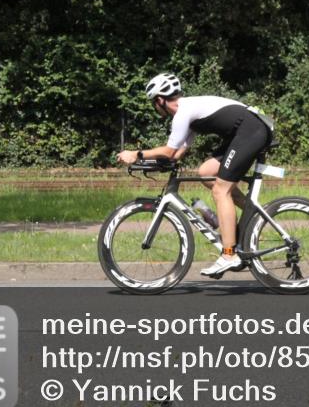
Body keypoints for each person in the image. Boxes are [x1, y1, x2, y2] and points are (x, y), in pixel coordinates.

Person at [115, 73, 272, 277]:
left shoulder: (183, 113)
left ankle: (229, 254)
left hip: (252, 130)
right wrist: (150, 163)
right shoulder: (188, 114)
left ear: (160, 100)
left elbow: (170, 152)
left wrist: (136, 154)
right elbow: (177, 153)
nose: (155, 107)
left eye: (154, 103)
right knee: (206, 172)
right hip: (246, 131)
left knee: (220, 191)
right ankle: (250, 215)